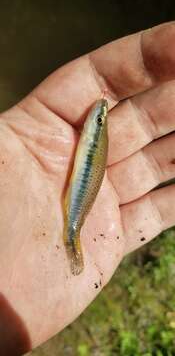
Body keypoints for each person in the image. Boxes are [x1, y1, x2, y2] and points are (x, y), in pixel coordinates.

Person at [0, 21, 175, 355]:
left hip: (76, 211)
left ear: (94, 136)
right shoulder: (90, 135)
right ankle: (72, 237)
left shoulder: (94, 135)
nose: (99, 116)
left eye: (99, 122)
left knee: (72, 222)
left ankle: (72, 236)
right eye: (99, 120)